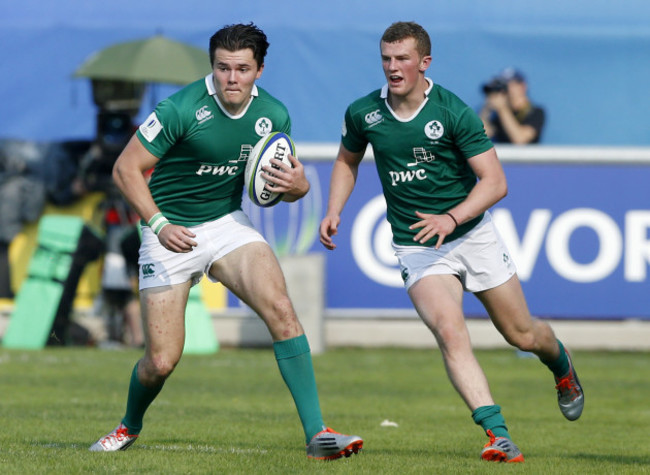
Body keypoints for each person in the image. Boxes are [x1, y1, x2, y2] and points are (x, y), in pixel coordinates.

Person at [89, 23, 363, 460]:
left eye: (242, 69)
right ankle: (128, 426)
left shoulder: (274, 115)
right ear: (212, 67)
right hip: (169, 230)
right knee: (161, 361)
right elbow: (125, 168)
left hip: (225, 224)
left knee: (282, 310)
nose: (231, 78)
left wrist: (301, 185)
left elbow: (277, 190)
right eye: (222, 68)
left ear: (259, 70)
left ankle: (318, 435)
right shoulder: (182, 108)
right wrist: (158, 225)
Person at [319, 21, 582, 463]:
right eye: (386, 58)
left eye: (402, 58)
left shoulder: (452, 111)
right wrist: (333, 209)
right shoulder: (364, 113)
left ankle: (561, 367)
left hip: (472, 234)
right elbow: (347, 161)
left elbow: (495, 182)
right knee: (449, 331)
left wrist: (452, 217)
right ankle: (498, 434)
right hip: (417, 245)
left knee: (522, 334)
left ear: (425, 63)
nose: (392, 67)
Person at [479, 67, 545, 144]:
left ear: (522, 86)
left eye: (509, 85)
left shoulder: (535, 112)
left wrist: (502, 108)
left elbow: (520, 139)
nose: (506, 90)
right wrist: (487, 107)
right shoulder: (497, 115)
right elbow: (481, 136)